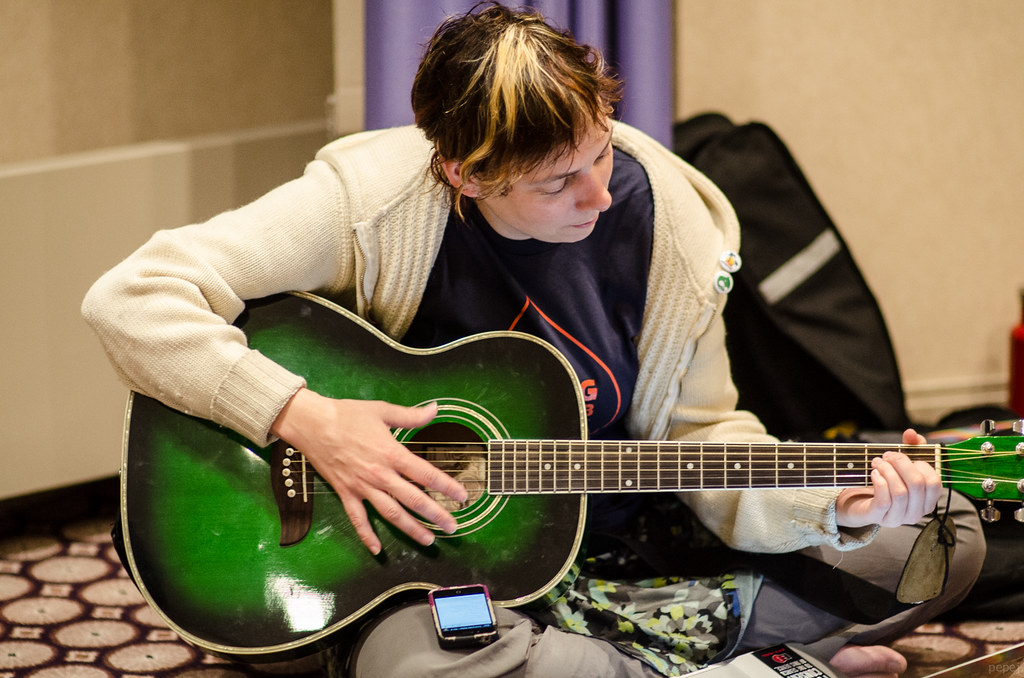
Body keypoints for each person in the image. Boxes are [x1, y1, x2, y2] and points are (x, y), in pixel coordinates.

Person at [82, 4, 984, 677]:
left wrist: (834, 506)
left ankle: (720, 660)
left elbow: (702, 442)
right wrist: (305, 418)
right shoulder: (368, 203)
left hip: (625, 546)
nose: (597, 194)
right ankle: (756, 661)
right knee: (432, 661)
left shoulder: (673, 225)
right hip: (426, 569)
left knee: (938, 540)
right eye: (556, 183)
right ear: (463, 173)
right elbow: (130, 298)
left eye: (599, 151)